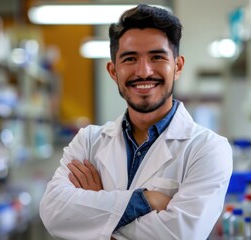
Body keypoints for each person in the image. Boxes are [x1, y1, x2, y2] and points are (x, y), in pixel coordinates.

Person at [40, 4, 233, 240]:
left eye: (157, 57)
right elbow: (53, 212)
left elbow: (182, 235)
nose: (144, 71)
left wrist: (99, 208)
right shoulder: (88, 141)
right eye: (130, 58)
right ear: (113, 71)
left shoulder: (208, 148)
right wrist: (145, 200)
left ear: (178, 66)